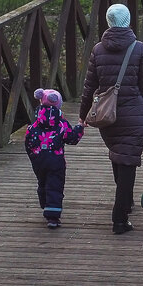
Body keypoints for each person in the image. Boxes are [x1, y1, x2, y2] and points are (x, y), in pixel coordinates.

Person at [79, 3, 143, 235]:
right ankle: (119, 217)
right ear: (127, 21)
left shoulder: (97, 50)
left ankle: (125, 203)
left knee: (119, 157)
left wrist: (82, 115)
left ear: (109, 22)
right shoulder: (139, 49)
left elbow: (89, 87)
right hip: (134, 115)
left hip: (108, 116)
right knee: (126, 161)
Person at [24, 87, 84, 229]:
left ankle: (45, 203)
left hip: (38, 159)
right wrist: (80, 127)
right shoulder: (61, 124)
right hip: (56, 160)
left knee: (42, 182)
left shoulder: (33, 125)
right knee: (55, 186)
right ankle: (52, 216)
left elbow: (28, 141)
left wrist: (33, 155)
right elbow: (72, 138)